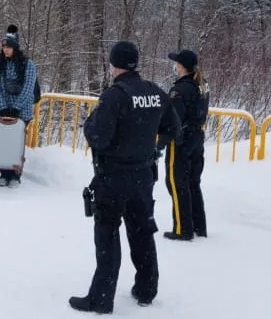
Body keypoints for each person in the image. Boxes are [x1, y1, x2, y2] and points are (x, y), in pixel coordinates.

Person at [69, 41, 181, 314]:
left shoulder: (114, 96)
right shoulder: (154, 92)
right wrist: (156, 148)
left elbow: (100, 138)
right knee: (142, 232)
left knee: (107, 234)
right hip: (143, 176)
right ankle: (146, 288)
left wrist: (89, 127)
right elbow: (174, 127)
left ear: (114, 65)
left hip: (113, 177)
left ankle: (101, 298)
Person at [163, 49, 210, 241]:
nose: (175, 66)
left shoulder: (180, 90)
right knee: (192, 182)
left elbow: (173, 120)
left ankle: (183, 228)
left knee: (176, 183)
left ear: (182, 67)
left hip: (181, 140)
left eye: (177, 63)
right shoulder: (202, 84)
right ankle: (199, 225)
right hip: (197, 136)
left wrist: (161, 141)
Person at [0, 28, 37, 187]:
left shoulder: (27, 64)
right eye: (3, 47)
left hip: (21, 109)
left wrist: (16, 107)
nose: (6, 50)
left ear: (15, 47)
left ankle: (15, 174)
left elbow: (28, 87)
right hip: (3, 107)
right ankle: (3, 173)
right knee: (3, 140)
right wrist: (2, 106)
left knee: (16, 142)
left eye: (8, 47)